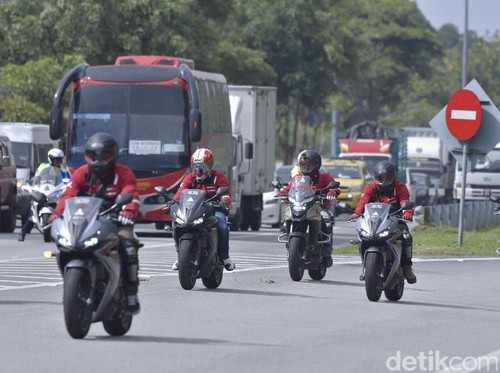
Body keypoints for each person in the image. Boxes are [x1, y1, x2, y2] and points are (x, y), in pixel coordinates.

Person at [47, 132, 142, 314]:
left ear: (113, 155)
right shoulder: (82, 173)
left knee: (128, 244)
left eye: (104, 155)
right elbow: (69, 195)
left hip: (115, 220)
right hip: (86, 221)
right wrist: (56, 215)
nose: (99, 160)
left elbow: (131, 193)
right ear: (87, 155)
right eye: (94, 155)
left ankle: (131, 293)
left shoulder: (123, 173)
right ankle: (74, 284)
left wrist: (128, 211)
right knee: (64, 244)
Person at [350, 160, 417, 284]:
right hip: (374, 221)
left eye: (388, 178)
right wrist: (356, 214)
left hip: (395, 220)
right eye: (381, 178)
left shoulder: (400, 187)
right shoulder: (370, 187)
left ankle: (407, 267)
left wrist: (407, 213)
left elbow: (405, 201)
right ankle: (366, 267)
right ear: (376, 178)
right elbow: (363, 201)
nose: (385, 181)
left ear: (394, 176)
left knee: (406, 236)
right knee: (362, 237)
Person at [170, 148, 235, 271]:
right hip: (194, 210)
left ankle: (224, 257)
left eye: (203, 166)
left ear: (210, 165)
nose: (199, 169)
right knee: (176, 224)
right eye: (196, 165)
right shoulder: (189, 177)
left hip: (214, 209)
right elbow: (180, 192)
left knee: (222, 226)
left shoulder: (218, 177)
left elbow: (225, 193)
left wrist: (224, 202)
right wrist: (173, 201)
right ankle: (180, 256)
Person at [275, 150, 341, 268]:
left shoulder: (324, 177)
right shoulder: (298, 178)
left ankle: (326, 254)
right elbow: (289, 188)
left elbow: (334, 186)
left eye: (309, 165)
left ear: (317, 165)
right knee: (287, 214)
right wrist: (281, 193)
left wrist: (332, 191)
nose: (306, 168)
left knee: (326, 220)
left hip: (318, 207)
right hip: (300, 205)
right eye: (303, 165)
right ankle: (288, 239)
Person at [18, 148, 71, 242]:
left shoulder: (63, 168)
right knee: (32, 213)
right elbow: (37, 177)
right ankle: (22, 232)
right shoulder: (43, 166)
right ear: (50, 159)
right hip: (42, 188)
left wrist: (68, 182)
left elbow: (68, 177)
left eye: (59, 159)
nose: (58, 161)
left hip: (55, 190)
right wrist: (32, 183)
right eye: (56, 159)